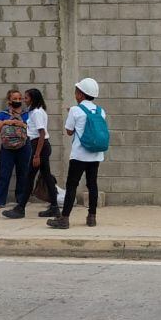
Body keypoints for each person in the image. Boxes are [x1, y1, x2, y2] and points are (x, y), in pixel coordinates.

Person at [48, 78, 107, 230]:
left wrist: (72, 115)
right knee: (92, 184)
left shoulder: (75, 110)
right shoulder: (101, 111)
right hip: (96, 155)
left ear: (81, 95)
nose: (75, 94)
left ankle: (65, 218)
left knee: (72, 185)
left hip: (79, 155)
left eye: (76, 92)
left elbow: (69, 131)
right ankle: (92, 217)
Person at [4, 88, 60, 219]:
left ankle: (20, 208)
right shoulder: (35, 111)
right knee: (46, 177)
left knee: (30, 177)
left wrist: (36, 155)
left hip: (40, 147)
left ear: (33, 99)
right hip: (39, 146)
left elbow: (41, 134)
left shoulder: (37, 113)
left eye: (26, 98)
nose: (24, 100)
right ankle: (54, 208)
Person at [0, 89, 31, 213]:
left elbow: (32, 129)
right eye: (15, 99)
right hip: (7, 149)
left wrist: (20, 123)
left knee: (23, 173)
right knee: (4, 174)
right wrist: (6, 122)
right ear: (9, 100)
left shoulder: (27, 114)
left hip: (24, 147)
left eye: (20, 99)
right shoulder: (2, 114)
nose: (18, 101)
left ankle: (21, 200)